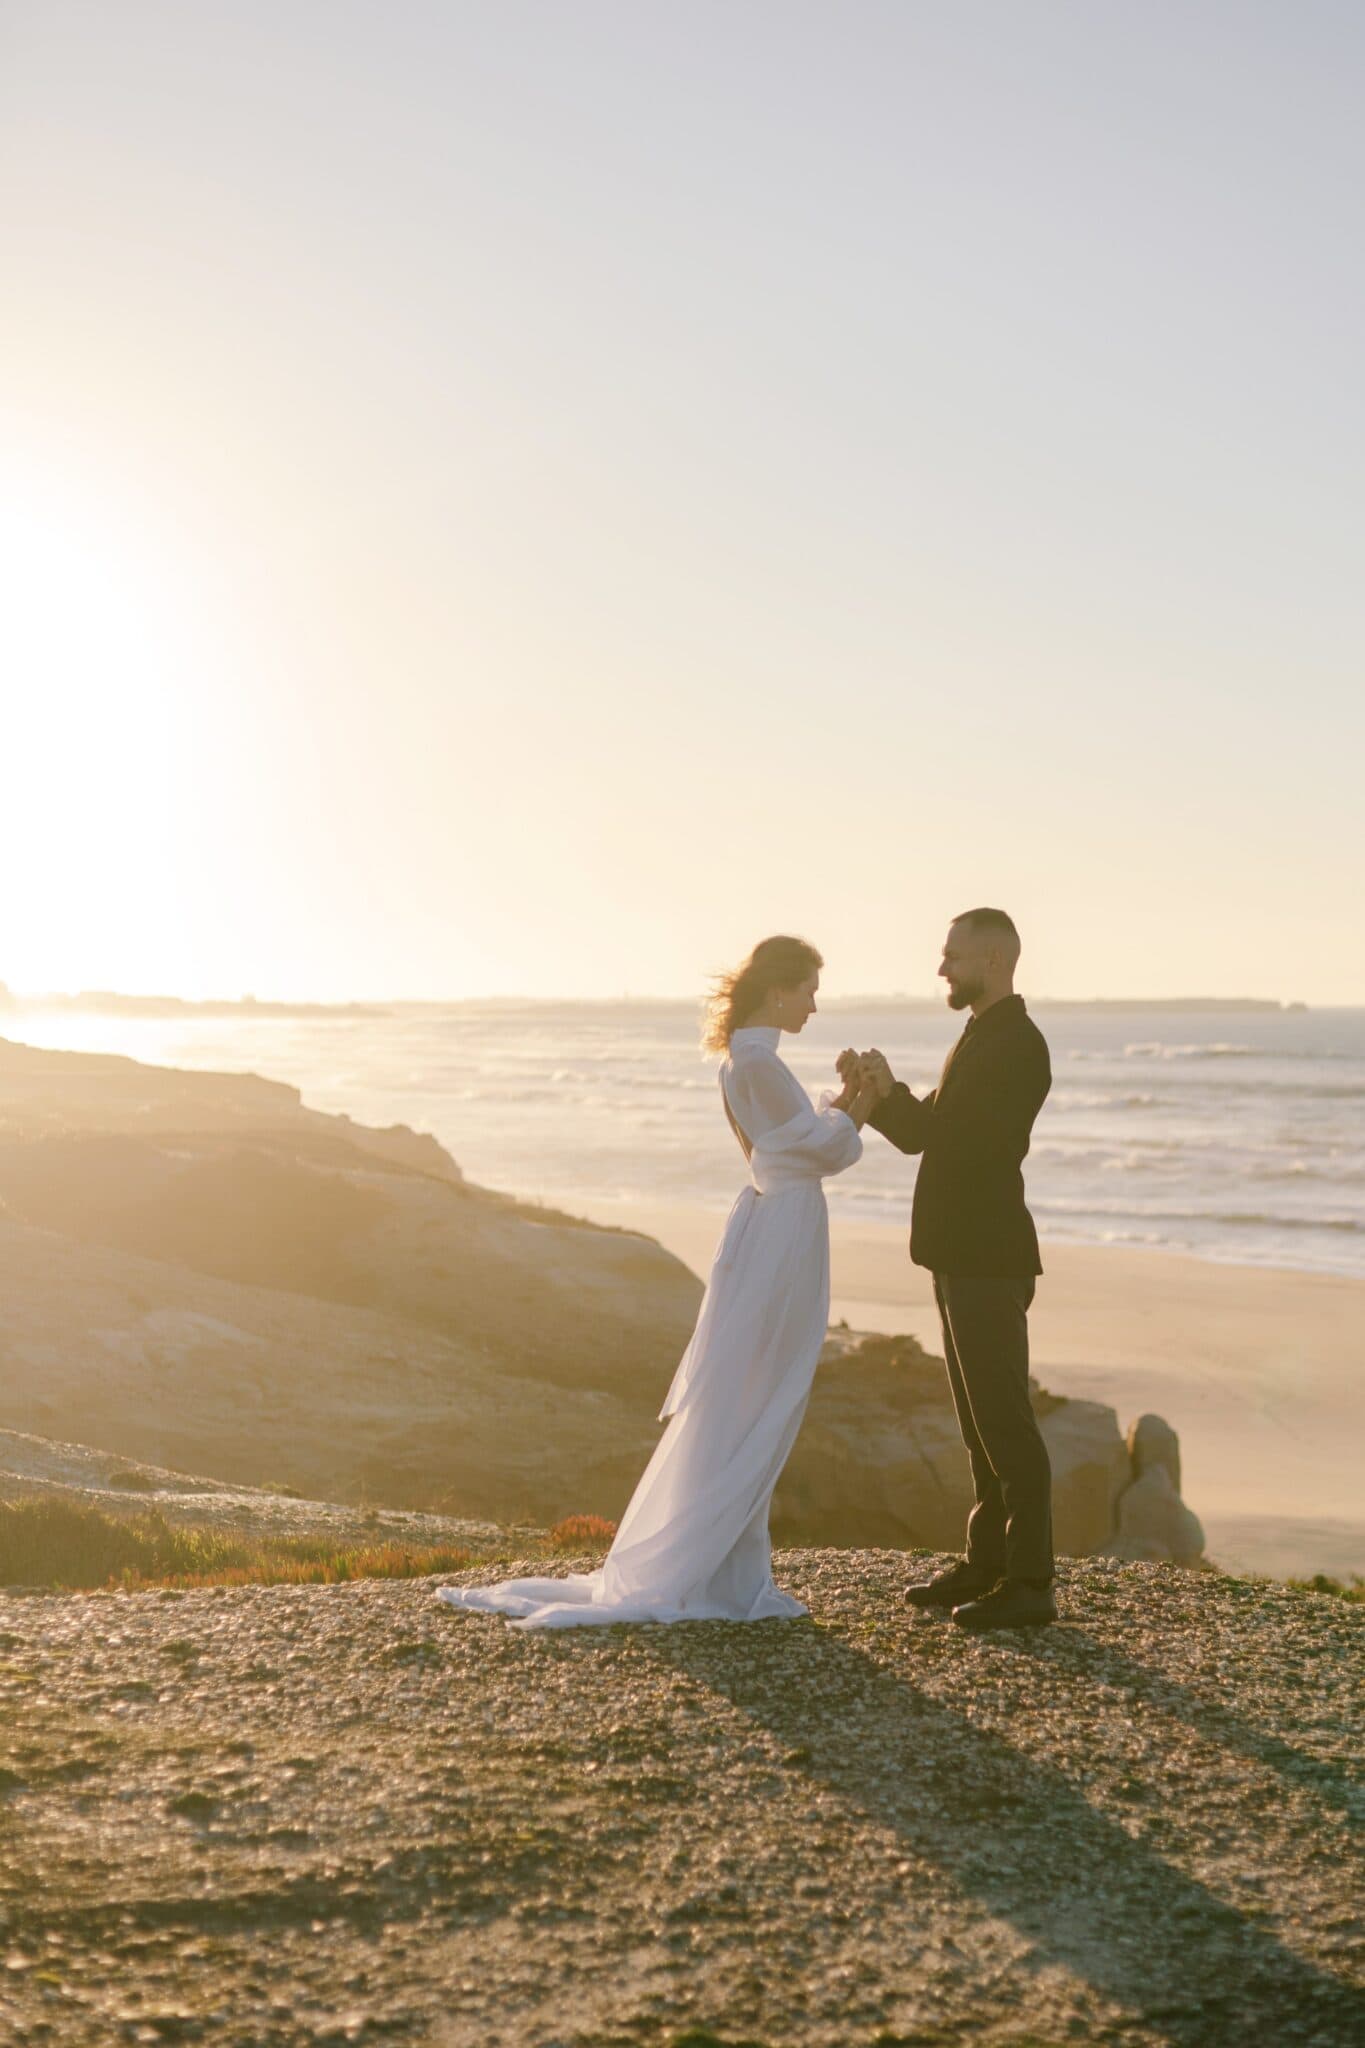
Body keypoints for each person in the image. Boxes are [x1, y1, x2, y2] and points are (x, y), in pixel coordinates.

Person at [436, 935, 881, 1630]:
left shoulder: (752, 1061)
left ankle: (732, 1570)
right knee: (763, 1390)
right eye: (808, 991)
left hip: (779, 1223)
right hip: (785, 1228)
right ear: (778, 991)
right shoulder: (759, 1063)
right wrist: (859, 1105)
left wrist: (846, 1103)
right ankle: (709, 1568)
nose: (814, 1005)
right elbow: (820, 1151)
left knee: (757, 1389)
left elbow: (797, 1142)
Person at [850, 908, 1055, 1630]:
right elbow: (925, 1132)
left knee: (1005, 1423)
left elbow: (957, 1140)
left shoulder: (1017, 1046)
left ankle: (1031, 1582)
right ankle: (986, 1562)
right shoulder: (979, 1037)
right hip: (957, 1256)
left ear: (994, 959)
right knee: (977, 1427)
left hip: (988, 1259)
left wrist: (894, 1097)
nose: (941, 969)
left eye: (952, 956)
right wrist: (880, 1094)